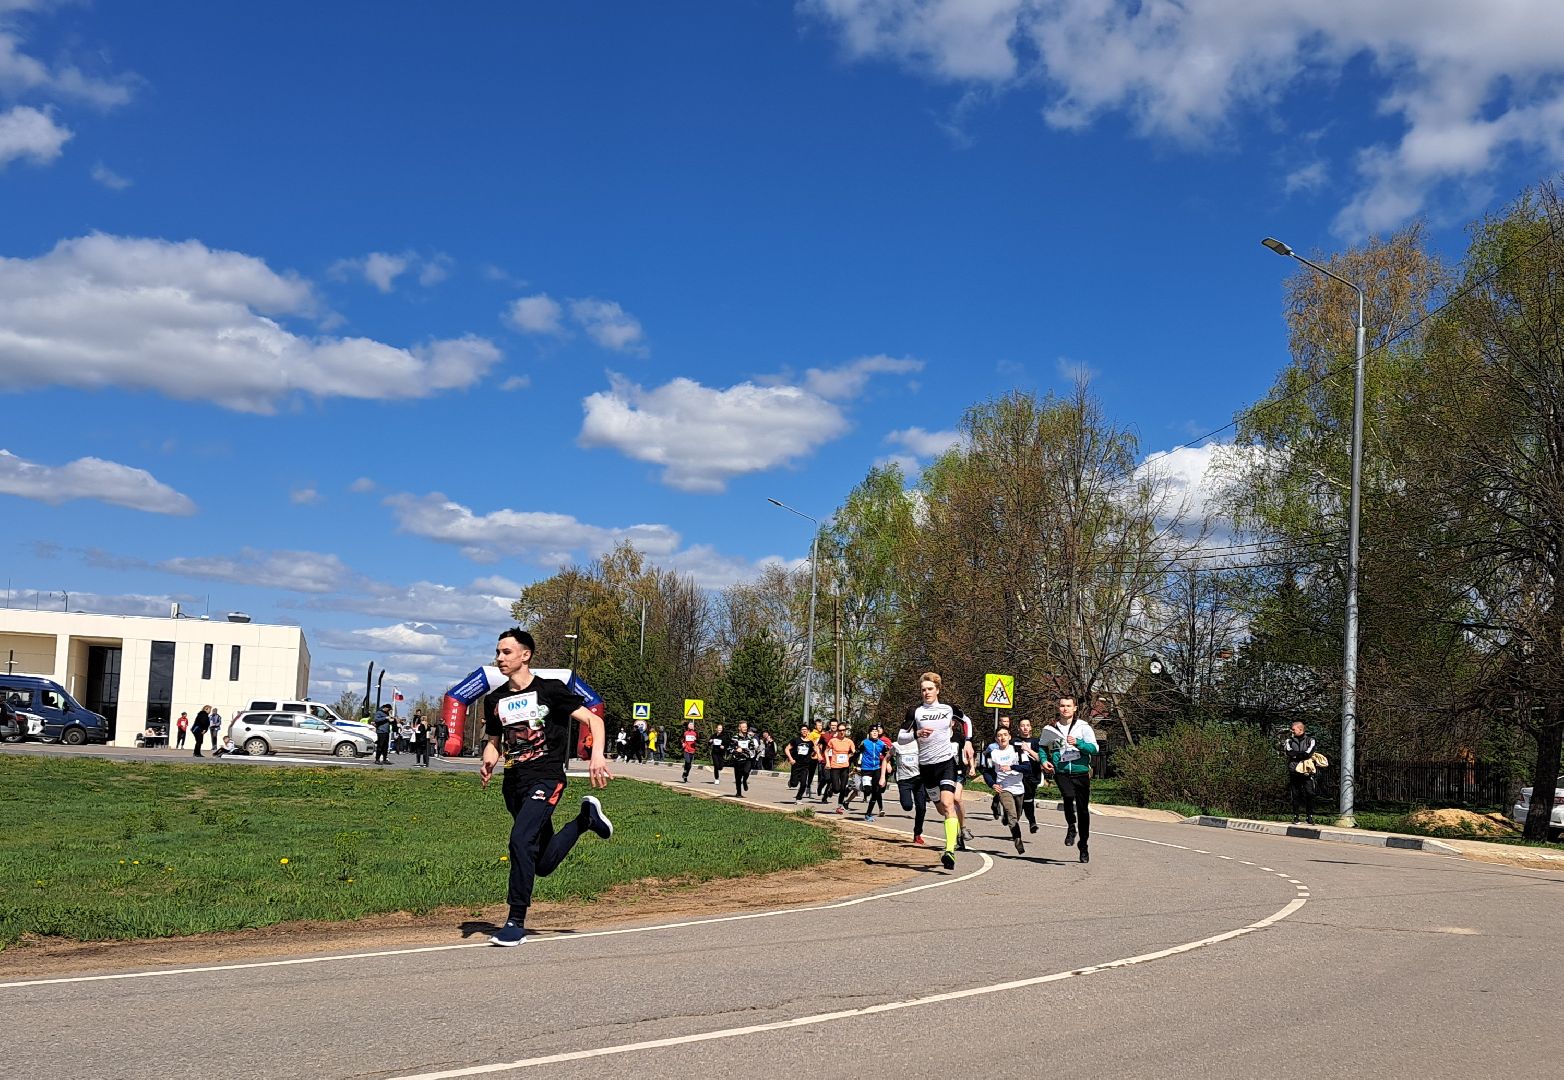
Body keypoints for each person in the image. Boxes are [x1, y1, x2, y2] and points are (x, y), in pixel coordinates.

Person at [482, 628, 612, 947]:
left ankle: (515, 921)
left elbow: (594, 720)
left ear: (525, 655)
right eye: (498, 652)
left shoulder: (550, 691)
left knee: (520, 840)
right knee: (541, 863)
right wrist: (488, 760)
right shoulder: (495, 700)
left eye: (506, 652)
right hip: (514, 785)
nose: (500, 658)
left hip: (547, 777)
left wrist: (597, 756)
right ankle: (585, 820)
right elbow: (494, 742)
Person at [903, 671, 970, 869]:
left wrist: (968, 742)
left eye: (930, 689)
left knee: (949, 804)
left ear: (937, 689)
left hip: (946, 764)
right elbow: (900, 737)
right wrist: (917, 733)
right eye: (923, 690)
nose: (926, 693)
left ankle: (949, 850)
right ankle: (955, 831)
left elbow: (967, 721)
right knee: (941, 808)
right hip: (926, 767)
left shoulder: (948, 709)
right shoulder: (915, 711)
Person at [1041, 693, 1098, 864]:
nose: (1065, 709)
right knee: (1068, 796)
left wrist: (1079, 743)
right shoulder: (1050, 728)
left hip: (1080, 772)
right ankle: (1071, 827)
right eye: (1062, 706)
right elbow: (1043, 747)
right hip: (1062, 771)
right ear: (1058, 708)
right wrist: (1044, 760)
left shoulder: (1083, 727)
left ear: (1074, 708)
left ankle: (1084, 845)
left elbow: (1094, 748)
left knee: (1083, 810)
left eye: (1068, 706)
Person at [988, 726, 1027, 854]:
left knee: (1017, 815)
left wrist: (1012, 767)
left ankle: (1006, 816)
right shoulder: (992, 754)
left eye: (1005, 734)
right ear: (996, 739)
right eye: (999, 735)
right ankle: (1017, 839)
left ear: (1009, 737)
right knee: (1012, 815)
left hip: (1019, 788)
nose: (1002, 737)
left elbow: (1027, 768)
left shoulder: (1018, 751)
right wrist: (993, 784)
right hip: (1003, 787)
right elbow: (987, 771)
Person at [888, 721, 927, 843]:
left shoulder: (919, 744)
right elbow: (886, 758)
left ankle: (917, 833)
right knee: (907, 806)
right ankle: (905, 800)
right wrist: (887, 767)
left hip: (919, 779)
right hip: (904, 780)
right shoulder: (897, 745)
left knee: (921, 808)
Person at [1283, 720, 1319, 824]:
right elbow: (1289, 752)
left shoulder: (1311, 740)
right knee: (1295, 794)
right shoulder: (1289, 741)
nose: (1292, 731)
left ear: (1300, 729)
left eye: (1293, 729)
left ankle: (1309, 816)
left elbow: (1308, 753)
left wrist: (1297, 755)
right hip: (1294, 771)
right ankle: (1296, 816)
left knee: (1310, 793)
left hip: (1307, 772)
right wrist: (1300, 755)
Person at [1014, 717, 1043, 834]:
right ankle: (1015, 821)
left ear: (1031, 727)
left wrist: (1028, 750)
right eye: (1022, 725)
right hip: (1017, 775)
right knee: (1018, 800)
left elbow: (1040, 758)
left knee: (1028, 800)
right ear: (1018, 728)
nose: (1025, 727)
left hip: (1031, 775)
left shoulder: (1036, 742)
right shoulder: (1014, 741)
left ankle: (1032, 822)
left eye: (1027, 725)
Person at [857, 723, 889, 821]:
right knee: (867, 791)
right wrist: (856, 764)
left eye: (876, 732)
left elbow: (887, 756)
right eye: (872, 731)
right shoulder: (865, 743)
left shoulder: (881, 744)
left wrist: (888, 764)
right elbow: (857, 753)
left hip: (876, 769)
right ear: (869, 733)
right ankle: (863, 785)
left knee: (876, 791)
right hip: (866, 769)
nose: (874, 733)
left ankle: (868, 813)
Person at [823, 725, 855, 813]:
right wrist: (828, 763)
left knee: (843, 788)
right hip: (835, 767)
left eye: (843, 730)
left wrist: (848, 756)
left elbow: (853, 752)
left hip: (845, 767)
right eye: (840, 730)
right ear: (837, 731)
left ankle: (839, 806)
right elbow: (826, 751)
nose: (842, 732)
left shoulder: (849, 741)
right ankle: (831, 788)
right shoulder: (833, 741)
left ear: (845, 731)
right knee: (836, 789)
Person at [785, 724, 816, 802]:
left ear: (808, 731)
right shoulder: (796, 740)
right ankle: (791, 782)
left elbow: (816, 749)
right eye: (802, 729)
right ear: (800, 731)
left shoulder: (810, 742)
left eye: (806, 729)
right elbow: (787, 749)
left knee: (803, 784)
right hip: (796, 764)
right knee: (794, 784)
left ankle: (798, 798)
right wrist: (791, 759)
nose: (804, 731)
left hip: (805, 765)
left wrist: (817, 755)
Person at [729, 721, 760, 797]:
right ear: (739, 728)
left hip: (747, 758)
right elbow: (730, 749)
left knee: (746, 772)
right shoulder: (735, 738)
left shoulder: (749, 737)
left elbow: (752, 747)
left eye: (746, 727)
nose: (745, 729)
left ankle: (745, 780)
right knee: (738, 777)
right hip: (738, 759)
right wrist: (736, 750)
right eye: (743, 727)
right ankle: (738, 793)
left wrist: (753, 748)